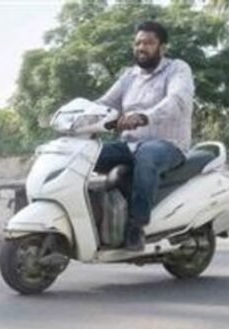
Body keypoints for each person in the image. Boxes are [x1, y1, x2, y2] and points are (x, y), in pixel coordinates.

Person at [95, 20, 195, 250]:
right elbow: (104, 102)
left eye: (149, 43)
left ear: (162, 47)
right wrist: (77, 113)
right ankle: (97, 218)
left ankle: (136, 227)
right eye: (138, 42)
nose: (142, 47)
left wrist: (143, 116)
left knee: (147, 154)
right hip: (130, 145)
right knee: (89, 153)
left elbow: (177, 101)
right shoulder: (129, 76)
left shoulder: (178, 69)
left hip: (168, 145)